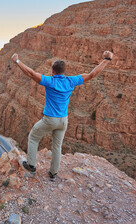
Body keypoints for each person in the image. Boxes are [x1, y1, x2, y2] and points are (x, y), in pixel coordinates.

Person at [11, 51, 113, 181]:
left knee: (33, 137)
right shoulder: (71, 81)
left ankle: (31, 165)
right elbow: (92, 74)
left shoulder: (50, 81)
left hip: (50, 119)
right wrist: (107, 59)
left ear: (52, 71)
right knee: (57, 147)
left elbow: (31, 73)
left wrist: (17, 61)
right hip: (63, 121)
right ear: (64, 71)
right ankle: (53, 173)